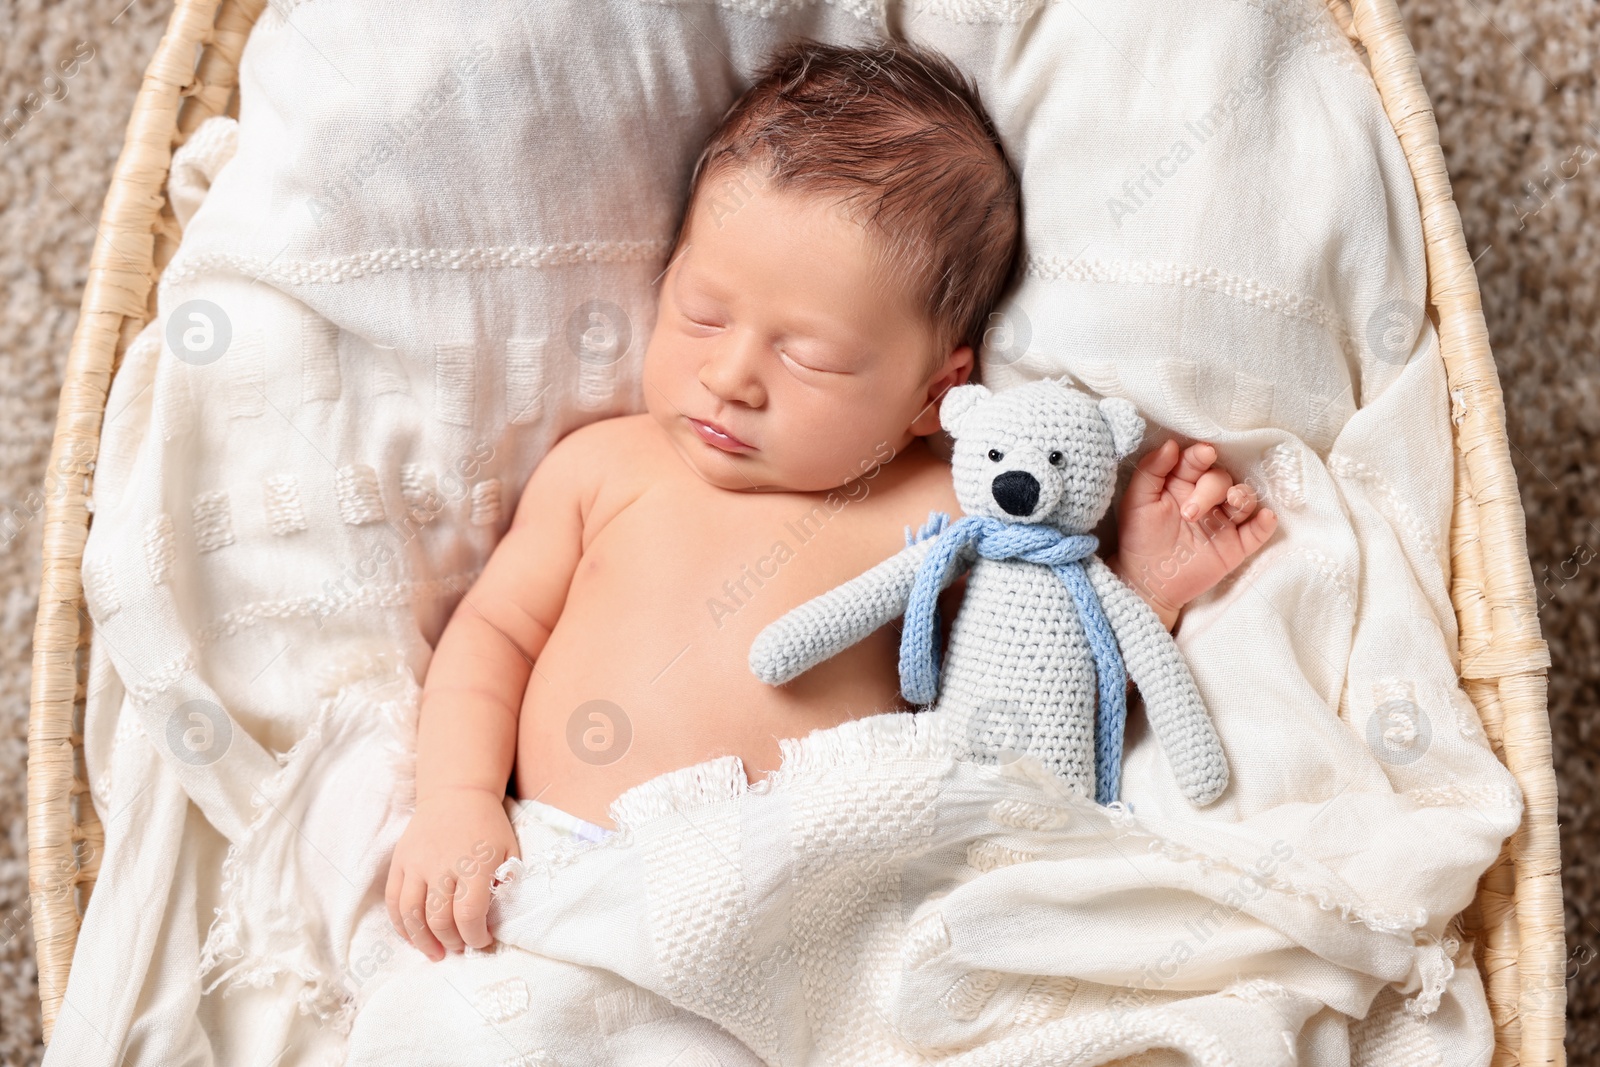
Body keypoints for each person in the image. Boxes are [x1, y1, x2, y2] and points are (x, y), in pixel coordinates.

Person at [385, 39, 1277, 962]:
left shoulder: (948, 509)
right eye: (701, 312)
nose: (730, 376)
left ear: (937, 393)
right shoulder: (605, 466)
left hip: (823, 910)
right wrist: (458, 801)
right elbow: (492, 636)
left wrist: (1150, 585)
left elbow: (1038, 666)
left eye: (807, 356)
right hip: (570, 883)